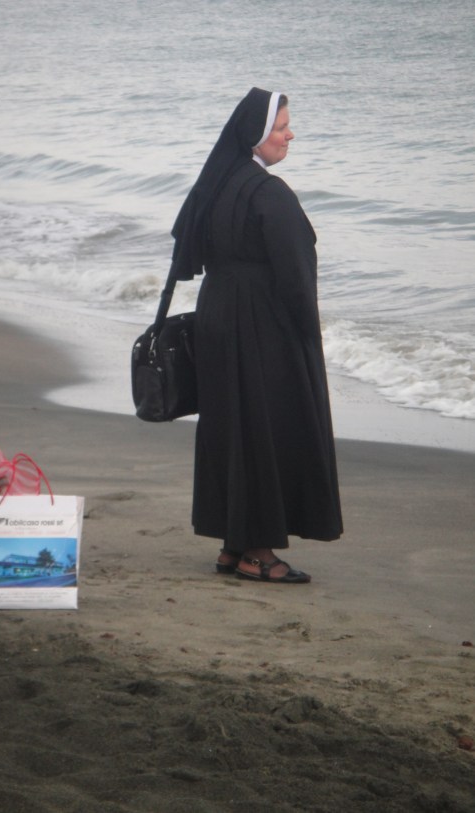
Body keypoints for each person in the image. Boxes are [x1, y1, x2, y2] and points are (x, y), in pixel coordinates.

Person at [170, 87, 343, 583]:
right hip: (262, 321)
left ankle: (233, 544)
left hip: (217, 313)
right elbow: (295, 274)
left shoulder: (215, 184)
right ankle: (258, 554)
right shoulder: (269, 192)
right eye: (281, 127)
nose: (290, 135)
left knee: (232, 424)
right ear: (255, 134)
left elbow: (190, 252)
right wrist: (307, 332)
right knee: (265, 429)